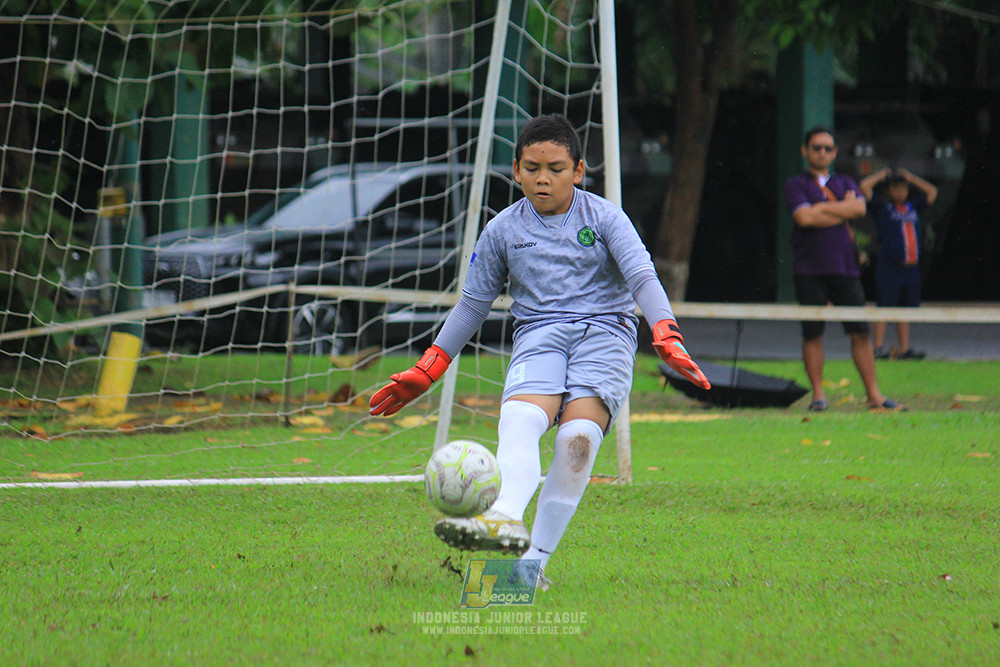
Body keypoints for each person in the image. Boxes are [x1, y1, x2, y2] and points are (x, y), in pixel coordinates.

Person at [369, 114, 710, 589]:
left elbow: (642, 277)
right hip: (539, 334)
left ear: (579, 170)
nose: (543, 178)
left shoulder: (605, 217)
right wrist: (430, 366)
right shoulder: (502, 229)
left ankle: (532, 565)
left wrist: (666, 333)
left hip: (606, 335)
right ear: (515, 170)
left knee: (578, 442)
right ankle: (504, 515)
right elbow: (472, 305)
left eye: (555, 167)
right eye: (532, 167)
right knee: (520, 421)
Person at [783, 126, 904, 412]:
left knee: (860, 332)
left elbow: (859, 210)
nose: (822, 153)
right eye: (816, 148)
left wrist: (821, 209)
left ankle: (874, 396)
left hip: (845, 269)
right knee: (813, 333)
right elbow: (804, 218)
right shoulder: (796, 185)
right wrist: (840, 210)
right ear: (805, 151)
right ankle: (818, 396)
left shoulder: (846, 182)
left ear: (835, 152)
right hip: (809, 269)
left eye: (827, 148)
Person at [859, 167, 938, 360]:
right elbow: (864, 187)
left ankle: (904, 349)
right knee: (884, 307)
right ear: (888, 191)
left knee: (905, 309)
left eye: (903, 188)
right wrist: (882, 175)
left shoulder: (913, 207)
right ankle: (877, 347)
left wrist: (911, 178)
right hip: (890, 266)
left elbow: (932, 192)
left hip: (909, 267)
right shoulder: (883, 208)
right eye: (895, 188)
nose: (900, 192)